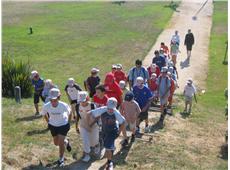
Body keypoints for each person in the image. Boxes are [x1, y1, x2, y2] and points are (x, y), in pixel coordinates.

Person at [88, 97, 125, 170]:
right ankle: (111, 148)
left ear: (115, 106)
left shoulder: (116, 112)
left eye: (112, 108)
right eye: (109, 107)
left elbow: (123, 122)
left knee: (107, 148)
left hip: (113, 131)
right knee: (107, 145)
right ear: (106, 105)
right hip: (104, 130)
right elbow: (91, 113)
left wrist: (119, 132)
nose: (110, 110)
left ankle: (110, 163)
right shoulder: (103, 109)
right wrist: (88, 120)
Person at [41, 88, 72, 167]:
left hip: (63, 125)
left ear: (59, 97)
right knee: (56, 143)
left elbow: (70, 112)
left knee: (60, 143)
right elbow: (44, 114)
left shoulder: (63, 105)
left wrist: (68, 122)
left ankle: (61, 159)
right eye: (51, 99)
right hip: (53, 125)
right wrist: (48, 122)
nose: (53, 102)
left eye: (55, 99)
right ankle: (66, 141)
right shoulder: (46, 106)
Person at [75, 91, 100, 162]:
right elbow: (77, 117)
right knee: (85, 140)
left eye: (84, 101)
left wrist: (91, 125)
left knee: (93, 141)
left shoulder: (92, 105)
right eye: (81, 101)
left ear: (87, 98)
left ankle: (97, 144)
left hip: (93, 125)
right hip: (83, 125)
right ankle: (87, 154)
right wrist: (76, 126)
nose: (82, 103)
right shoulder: (77, 106)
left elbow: (97, 117)